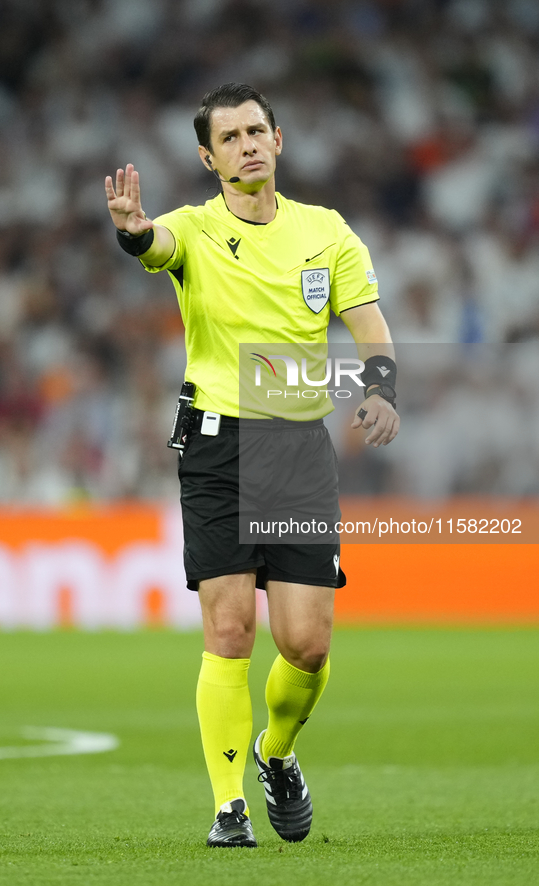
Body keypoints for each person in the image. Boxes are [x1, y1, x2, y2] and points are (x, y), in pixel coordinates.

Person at [105, 82, 399, 847]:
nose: (246, 145)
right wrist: (134, 231)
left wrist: (381, 390)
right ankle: (227, 806)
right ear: (207, 158)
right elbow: (153, 245)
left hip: (297, 446)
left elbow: (369, 327)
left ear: (279, 139)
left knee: (306, 644)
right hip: (216, 443)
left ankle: (277, 752)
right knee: (229, 627)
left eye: (256, 131)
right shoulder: (194, 230)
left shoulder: (326, 232)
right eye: (229, 137)